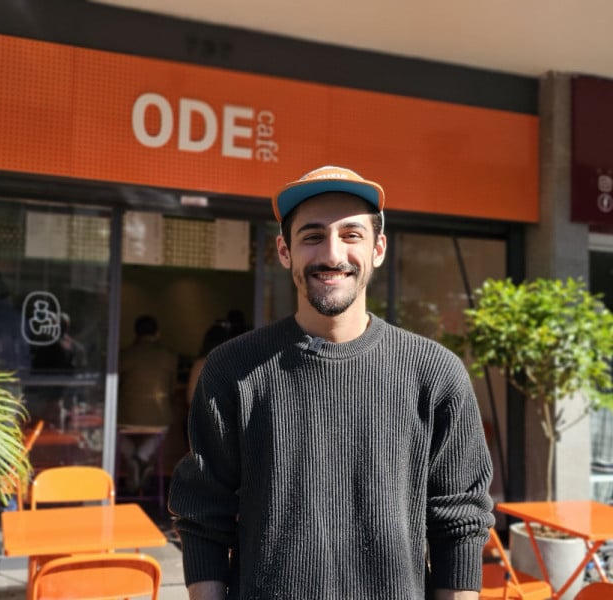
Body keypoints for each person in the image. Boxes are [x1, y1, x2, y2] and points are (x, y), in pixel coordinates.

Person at [168, 165, 494, 599]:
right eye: (312, 236)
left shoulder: (434, 373)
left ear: (378, 248)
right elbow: (204, 513)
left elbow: (459, 524)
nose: (332, 254)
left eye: (351, 235)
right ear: (284, 251)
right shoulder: (234, 369)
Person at [118, 314, 179, 492]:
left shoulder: (124, 355)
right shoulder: (170, 357)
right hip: (159, 416)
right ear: (157, 333)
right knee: (163, 428)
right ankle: (142, 458)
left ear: (135, 333)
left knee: (113, 432)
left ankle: (133, 458)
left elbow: (118, 386)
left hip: (125, 415)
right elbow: (171, 389)